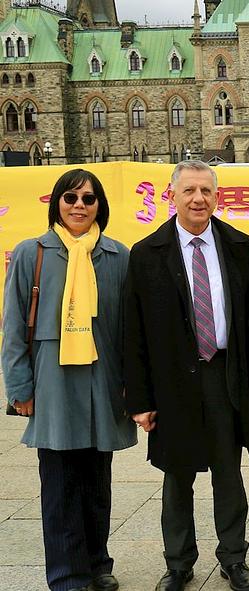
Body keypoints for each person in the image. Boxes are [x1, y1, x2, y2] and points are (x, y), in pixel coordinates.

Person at [124, 160, 249, 591]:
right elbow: (134, 333)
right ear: (173, 197)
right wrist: (140, 400)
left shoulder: (242, 247)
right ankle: (179, 562)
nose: (198, 199)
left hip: (225, 375)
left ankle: (234, 557)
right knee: (177, 474)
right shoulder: (147, 253)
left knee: (228, 470)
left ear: (217, 197)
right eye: (189, 191)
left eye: (206, 191)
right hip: (174, 382)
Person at [2, 169, 136, 591]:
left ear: (101, 206)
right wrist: (20, 389)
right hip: (54, 385)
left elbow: (131, 332)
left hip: (103, 383)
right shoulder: (32, 253)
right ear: (56, 202)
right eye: (71, 197)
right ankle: (67, 574)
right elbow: (13, 326)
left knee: (97, 483)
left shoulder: (117, 255)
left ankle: (97, 562)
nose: (79, 206)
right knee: (59, 486)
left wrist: (134, 387)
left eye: (89, 199)